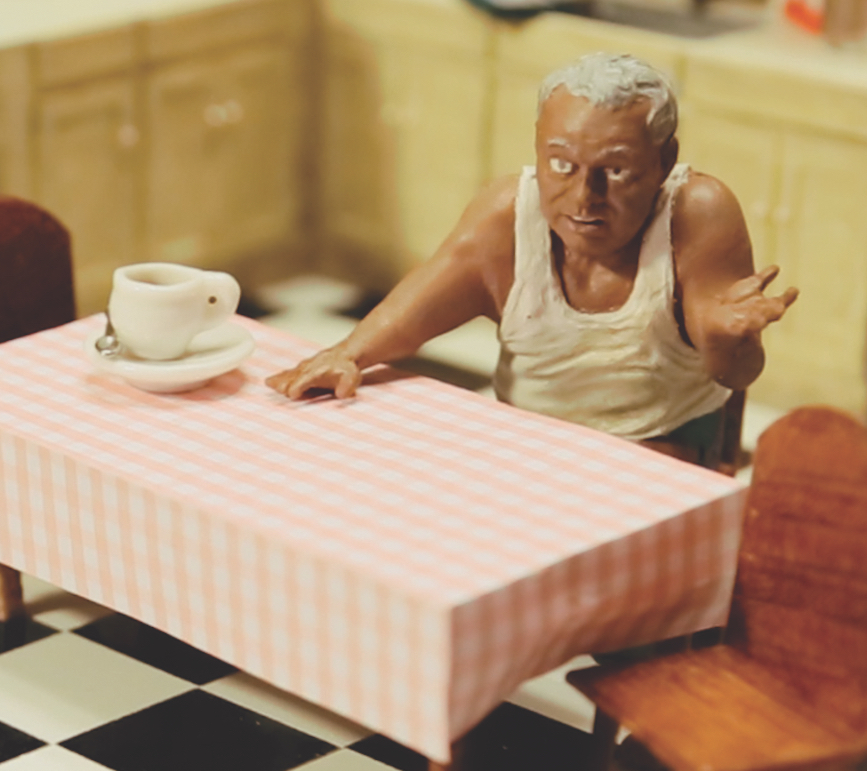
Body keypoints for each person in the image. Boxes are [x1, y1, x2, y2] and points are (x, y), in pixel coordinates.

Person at [266, 52, 797, 466]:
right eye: (562, 165)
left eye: (615, 172)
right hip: (529, 452)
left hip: (661, 452)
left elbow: (736, 373)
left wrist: (732, 339)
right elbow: (408, 316)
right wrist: (348, 354)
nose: (585, 197)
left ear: (665, 162)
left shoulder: (696, 213)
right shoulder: (506, 219)